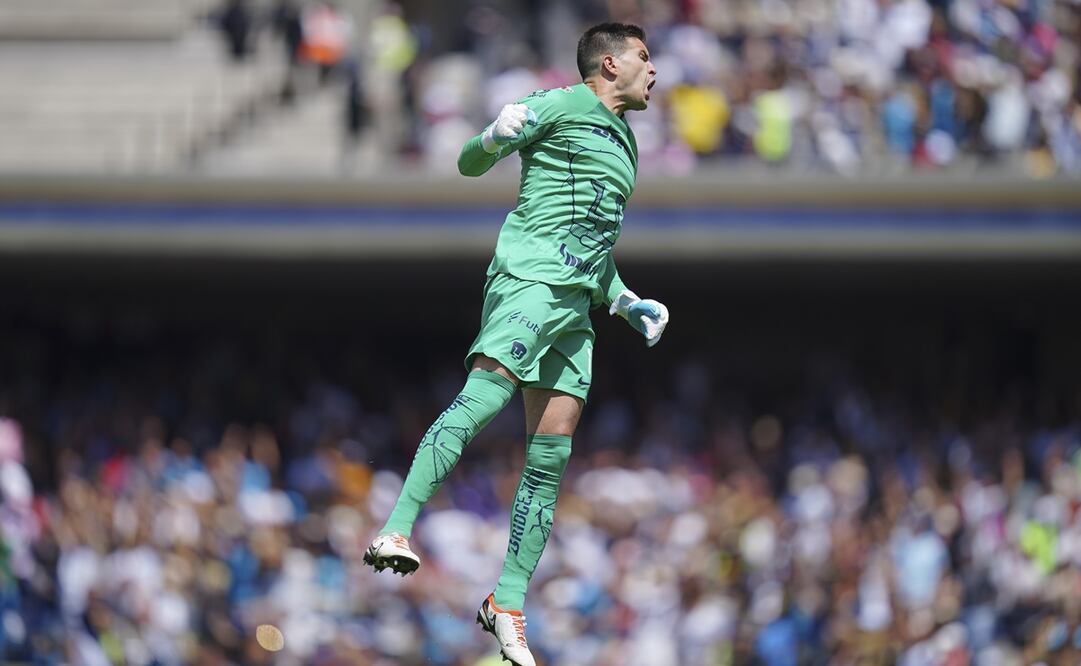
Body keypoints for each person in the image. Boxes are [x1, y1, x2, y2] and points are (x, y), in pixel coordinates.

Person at [363, 22, 667, 666]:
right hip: (530, 282)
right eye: (644, 58)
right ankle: (395, 528)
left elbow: (593, 240)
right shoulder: (557, 104)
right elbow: (469, 162)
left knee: (552, 452)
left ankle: (506, 603)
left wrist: (622, 300)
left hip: (577, 307)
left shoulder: (628, 144)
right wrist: (491, 136)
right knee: (484, 397)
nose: (654, 70)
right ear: (608, 64)